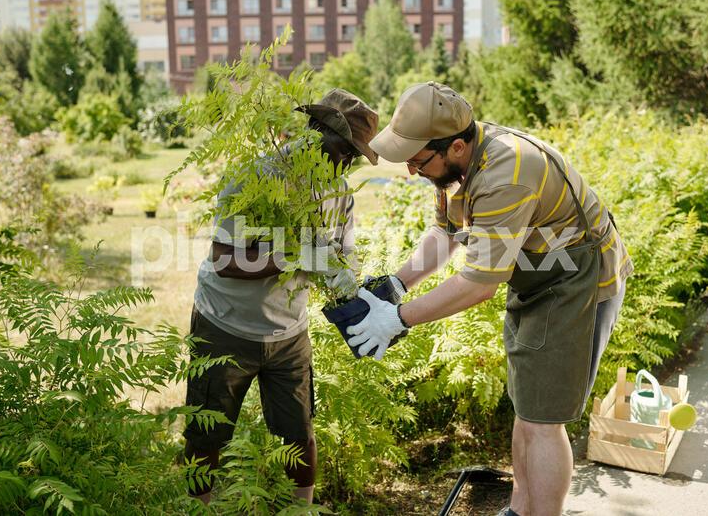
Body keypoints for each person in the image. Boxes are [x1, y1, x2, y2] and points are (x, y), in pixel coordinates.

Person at [347, 82, 633, 516]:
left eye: (416, 161)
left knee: (543, 420)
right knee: (527, 405)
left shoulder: (506, 174)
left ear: (456, 146)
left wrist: (397, 319)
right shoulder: (456, 162)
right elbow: (446, 234)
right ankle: (518, 509)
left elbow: (479, 284)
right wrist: (397, 285)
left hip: (578, 282)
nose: (410, 171)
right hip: (539, 277)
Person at [183, 89, 379, 505]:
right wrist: (293, 257)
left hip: (290, 333)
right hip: (226, 325)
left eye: (354, 157)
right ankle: (196, 509)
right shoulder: (257, 177)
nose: (346, 163)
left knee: (299, 432)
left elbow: (342, 255)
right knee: (207, 434)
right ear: (315, 133)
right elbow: (224, 259)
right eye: (343, 150)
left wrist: (350, 287)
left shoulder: (339, 193)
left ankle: (300, 511)